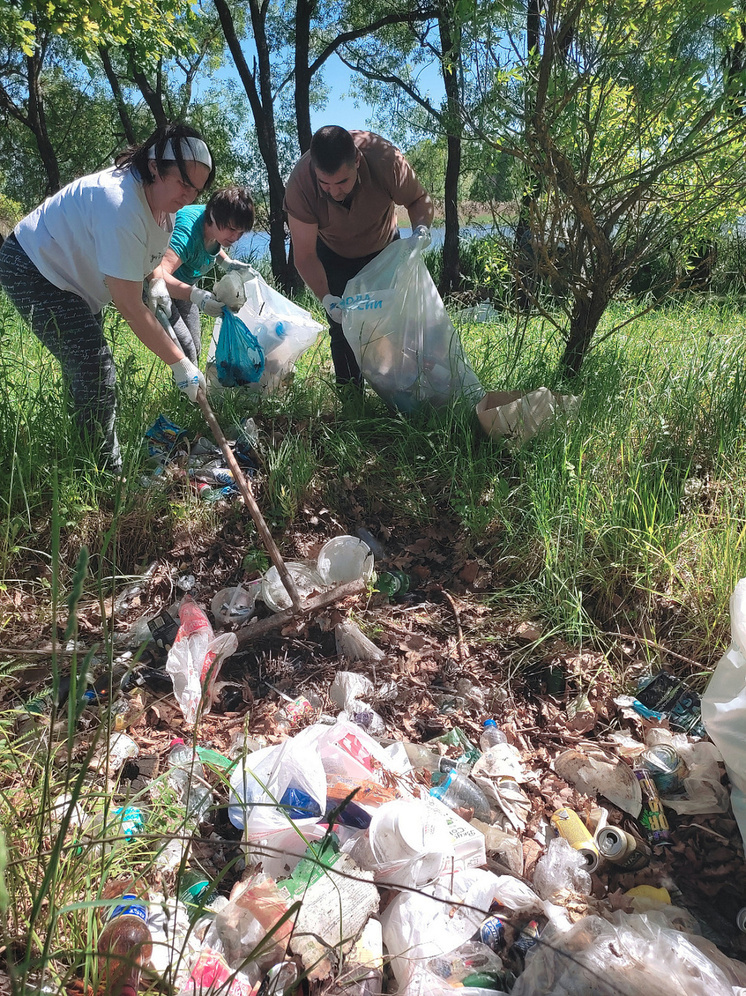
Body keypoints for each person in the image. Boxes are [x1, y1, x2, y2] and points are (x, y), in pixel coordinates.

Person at [0, 122, 216, 474]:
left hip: (78, 280)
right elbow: (130, 307)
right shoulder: (119, 205)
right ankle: (103, 473)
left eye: (197, 189)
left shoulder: (165, 211)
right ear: (154, 167)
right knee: (94, 367)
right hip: (34, 267)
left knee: (86, 369)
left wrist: (165, 286)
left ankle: (85, 452)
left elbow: (148, 269)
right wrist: (180, 364)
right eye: (183, 183)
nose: (190, 196)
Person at [283, 126, 434, 386]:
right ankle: (353, 402)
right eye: (325, 184)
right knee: (342, 330)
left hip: (384, 250)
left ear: (357, 161)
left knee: (396, 324)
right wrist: (327, 299)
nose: (334, 192)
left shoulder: (386, 159)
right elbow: (305, 255)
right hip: (333, 254)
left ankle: (404, 394)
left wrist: (420, 232)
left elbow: (419, 199)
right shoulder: (300, 185)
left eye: (342, 182)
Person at [147, 186, 255, 363]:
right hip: (158, 292)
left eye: (241, 232)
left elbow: (209, 245)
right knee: (185, 347)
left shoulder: (217, 227)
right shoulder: (186, 233)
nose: (235, 238)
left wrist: (226, 263)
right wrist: (196, 296)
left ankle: (192, 388)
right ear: (213, 216)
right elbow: (157, 277)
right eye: (231, 229)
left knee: (195, 346)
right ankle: (191, 388)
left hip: (184, 286)